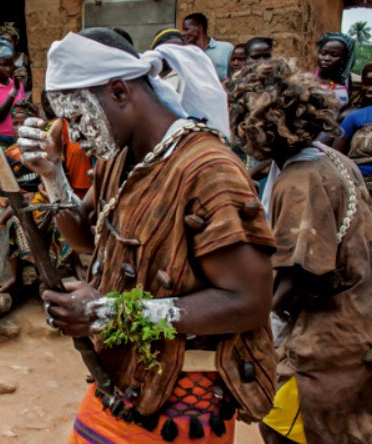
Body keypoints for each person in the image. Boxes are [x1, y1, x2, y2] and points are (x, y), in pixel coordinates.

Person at [18, 28, 277, 443]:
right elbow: (85, 237)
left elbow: (248, 302)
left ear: (120, 91)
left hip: (184, 401)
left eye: (79, 117)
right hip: (126, 382)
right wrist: (53, 176)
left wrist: (108, 313)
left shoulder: (208, 169)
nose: (73, 134)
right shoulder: (121, 158)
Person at [228, 58, 372, 444]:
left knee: (281, 429)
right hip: (357, 326)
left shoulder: (300, 180)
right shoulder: (331, 159)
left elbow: (298, 274)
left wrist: (244, 322)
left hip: (324, 343)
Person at [182, 12, 234, 80]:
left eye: (186, 29)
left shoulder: (226, 49)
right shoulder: (187, 53)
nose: (183, 33)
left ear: (200, 28)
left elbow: (235, 76)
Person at [314, 32, 355, 112]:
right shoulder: (308, 80)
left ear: (344, 59)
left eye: (334, 55)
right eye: (323, 53)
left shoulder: (346, 81)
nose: (326, 58)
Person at [0, 22, 32, 92]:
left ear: (16, 42)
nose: (6, 44)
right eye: (3, 41)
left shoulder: (24, 58)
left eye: (9, 41)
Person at [151, 28, 185, 92]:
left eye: (178, 49)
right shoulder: (147, 75)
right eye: (170, 49)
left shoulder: (184, 77)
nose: (174, 53)